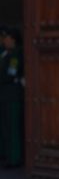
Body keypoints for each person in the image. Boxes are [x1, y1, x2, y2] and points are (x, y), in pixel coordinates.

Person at [0, 26, 24, 168]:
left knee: (13, 128)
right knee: (5, 127)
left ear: (13, 39)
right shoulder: (5, 54)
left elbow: (11, 73)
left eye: (6, 38)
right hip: (5, 96)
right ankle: (7, 155)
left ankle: (15, 158)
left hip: (12, 96)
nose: (4, 41)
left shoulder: (16, 54)